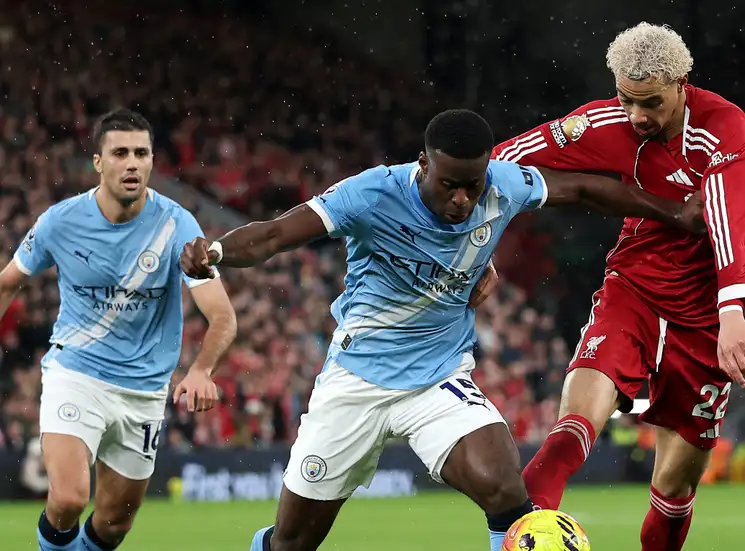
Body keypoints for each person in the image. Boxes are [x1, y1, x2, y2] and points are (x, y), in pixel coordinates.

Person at [178, 109, 704, 551]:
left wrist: (672, 214)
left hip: (438, 381)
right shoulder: (372, 194)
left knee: (506, 491)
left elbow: (585, 188)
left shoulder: (503, 185)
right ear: (424, 163)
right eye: (448, 185)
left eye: (471, 188)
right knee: (292, 543)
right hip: (355, 383)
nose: (460, 200)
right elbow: (273, 235)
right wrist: (217, 251)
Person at [492, 22, 745, 551]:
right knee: (571, 429)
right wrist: (467, 239)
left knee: (675, 486)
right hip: (635, 287)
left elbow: (727, 211)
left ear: (682, 83)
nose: (638, 115)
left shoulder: (721, 123)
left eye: (651, 102)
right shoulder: (603, 122)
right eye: (627, 99)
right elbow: (502, 161)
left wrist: (733, 310)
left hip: (706, 312)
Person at [0, 108, 237, 551]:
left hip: (143, 391)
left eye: (141, 153)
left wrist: (203, 369)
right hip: (76, 375)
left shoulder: (178, 227)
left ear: (152, 161)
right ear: (98, 162)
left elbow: (222, 315)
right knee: (70, 498)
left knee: (113, 525)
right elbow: (8, 283)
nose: (132, 163)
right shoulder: (61, 221)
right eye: (120, 153)